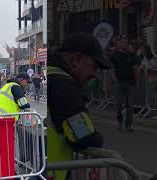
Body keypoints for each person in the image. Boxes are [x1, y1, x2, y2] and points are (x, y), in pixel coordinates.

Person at [48, 33, 112, 180]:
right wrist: (97, 138)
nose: (95, 75)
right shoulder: (64, 86)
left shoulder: (51, 73)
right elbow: (84, 135)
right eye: (94, 67)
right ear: (76, 60)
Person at [109, 35, 141, 132]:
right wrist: (115, 80)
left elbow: (136, 70)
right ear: (119, 43)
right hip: (119, 83)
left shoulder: (132, 55)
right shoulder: (115, 55)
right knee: (118, 105)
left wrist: (137, 82)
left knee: (130, 106)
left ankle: (128, 125)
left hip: (130, 83)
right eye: (123, 42)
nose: (125, 44)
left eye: (126, 42)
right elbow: (111, 69)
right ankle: (120, 121)